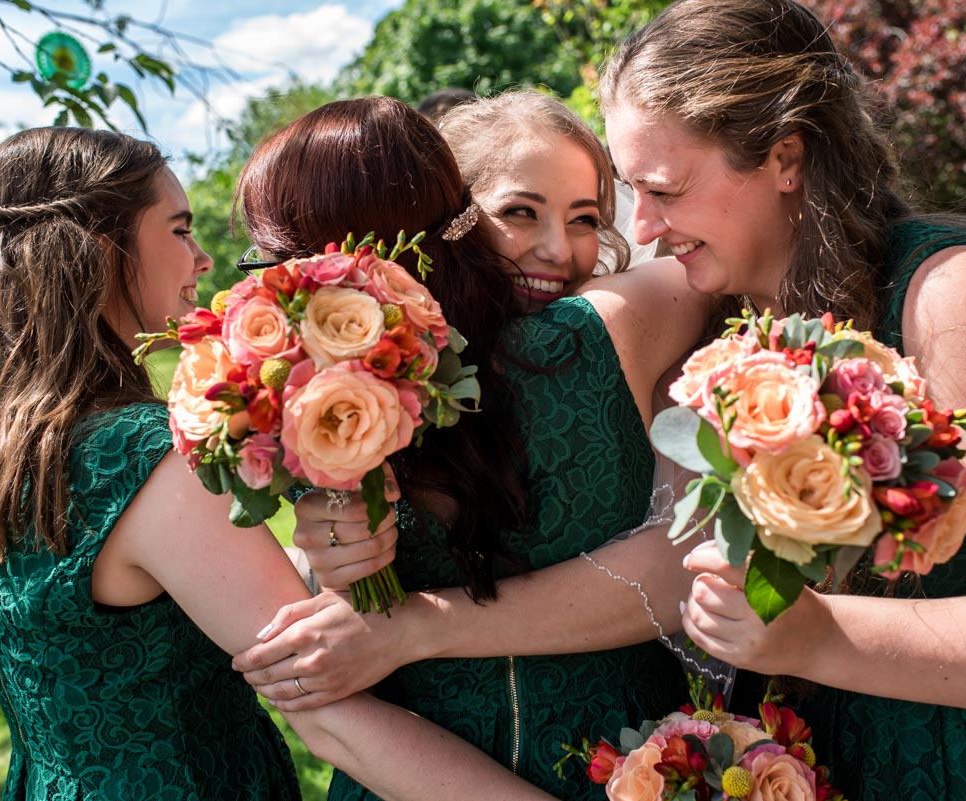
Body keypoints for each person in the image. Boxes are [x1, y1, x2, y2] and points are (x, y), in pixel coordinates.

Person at [0, 125, 564, 801]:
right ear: (102, 251)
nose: (203, 259)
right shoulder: (136, 454)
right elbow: (325, 709)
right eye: (180, 229)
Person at [597, 0, 966, 798]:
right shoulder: (728, 327)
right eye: (630, 191)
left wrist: (822, 638)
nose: (645, 227)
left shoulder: (954, 299)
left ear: (787, 157)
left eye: (667, 188)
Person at [231, 94, 709, 800]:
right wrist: (325, 554)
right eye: (520, 212)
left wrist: (404, 623)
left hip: (607, 764)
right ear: (454, 219)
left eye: (586, 219)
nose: (558, 249)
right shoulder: (353, 384)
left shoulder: (595, 327)